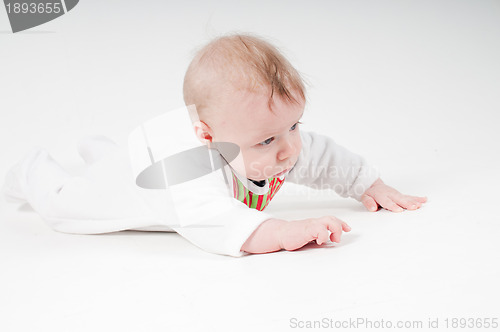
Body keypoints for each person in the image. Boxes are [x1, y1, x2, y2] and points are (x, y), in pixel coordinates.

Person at [2, 33, 427, 257]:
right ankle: (32, 168)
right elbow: (212, 220)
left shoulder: (271, 139)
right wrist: (282, 231)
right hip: (145, 180)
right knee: (66, 206)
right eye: (267, 139)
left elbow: (325, 156)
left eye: (294, 126)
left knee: (115, 165)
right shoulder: (187, 171)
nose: (288, 150)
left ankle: (101, 151)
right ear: (207, 137)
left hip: (146, 152)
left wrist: (369, 184)